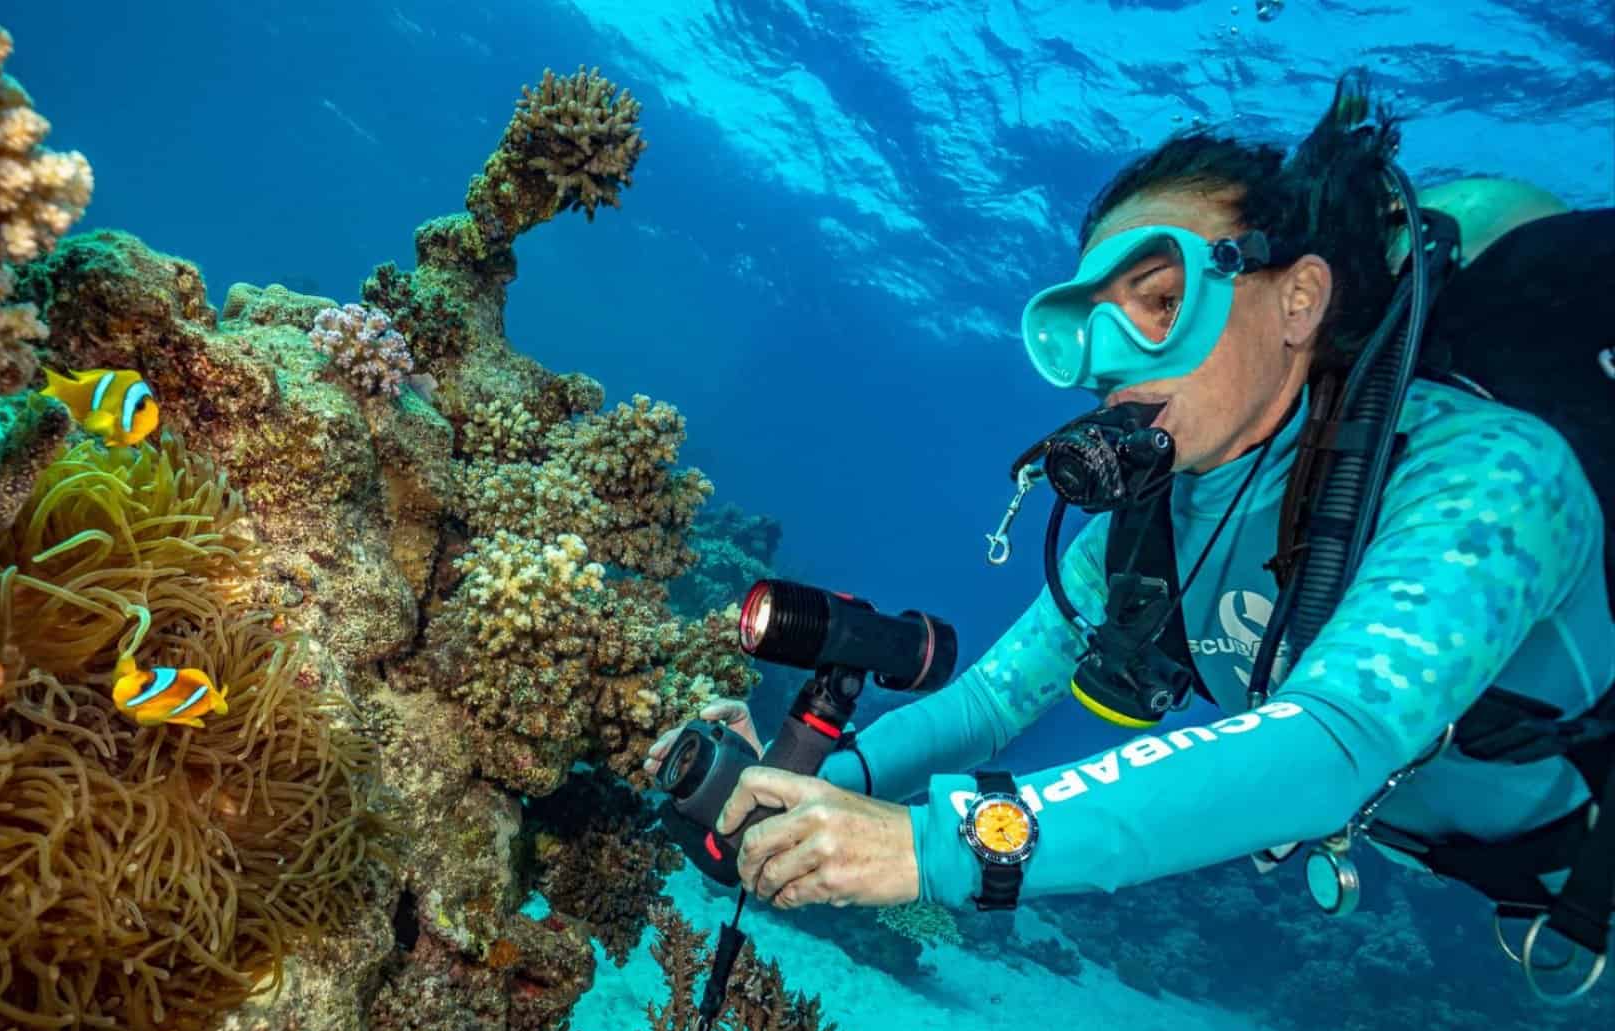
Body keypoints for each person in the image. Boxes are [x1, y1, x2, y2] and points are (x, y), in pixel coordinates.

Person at [643, 79, 1613, 928]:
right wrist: (803, 787)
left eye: (1158, 302)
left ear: (1299, 299)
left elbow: (1333, 740)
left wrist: (936, 847)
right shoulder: (1142, 528)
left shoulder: (1486, 472)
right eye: (1087, 328)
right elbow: (987, 704)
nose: (1110, 362)